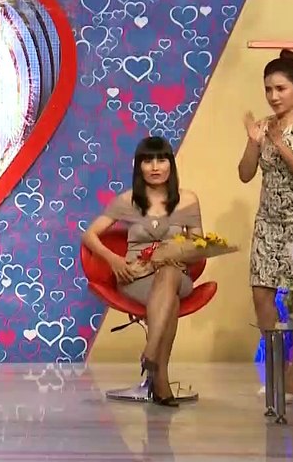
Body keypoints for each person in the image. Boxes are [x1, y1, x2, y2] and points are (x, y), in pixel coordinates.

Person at [238, 49, 293, 401]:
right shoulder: (263, 127)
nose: (274, 96)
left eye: (281, 89)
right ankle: (276, 365)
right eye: (268, 89)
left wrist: (279, 143)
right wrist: (254, 141)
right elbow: (245, 174)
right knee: (261, 291)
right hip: (269, 219)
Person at [83, 136, 202, 407]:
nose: (155, 167)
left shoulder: (188, 200)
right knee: (169, 300)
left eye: (161, 160)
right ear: (139, 166)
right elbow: (89, 235)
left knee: (169, 275)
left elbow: (198, 244)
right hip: (137, 277)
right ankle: (161, 380)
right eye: (148, 161)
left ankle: (150, 351)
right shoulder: (127, 200)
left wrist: (178, 253)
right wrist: (114, 260)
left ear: (171, 164)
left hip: (178, 274)